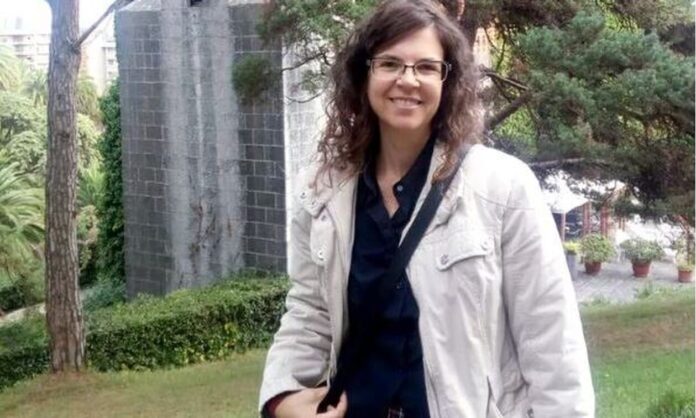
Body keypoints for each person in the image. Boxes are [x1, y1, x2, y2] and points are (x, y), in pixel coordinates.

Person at [259, 1, 595, 417]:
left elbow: (552, 341)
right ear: (364, 73)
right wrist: (282, 398)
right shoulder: (322, 191)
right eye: (389, 64)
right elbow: (308, 314)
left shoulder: (502, 187)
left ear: (447, 80)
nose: (407, 80)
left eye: (426, 67)